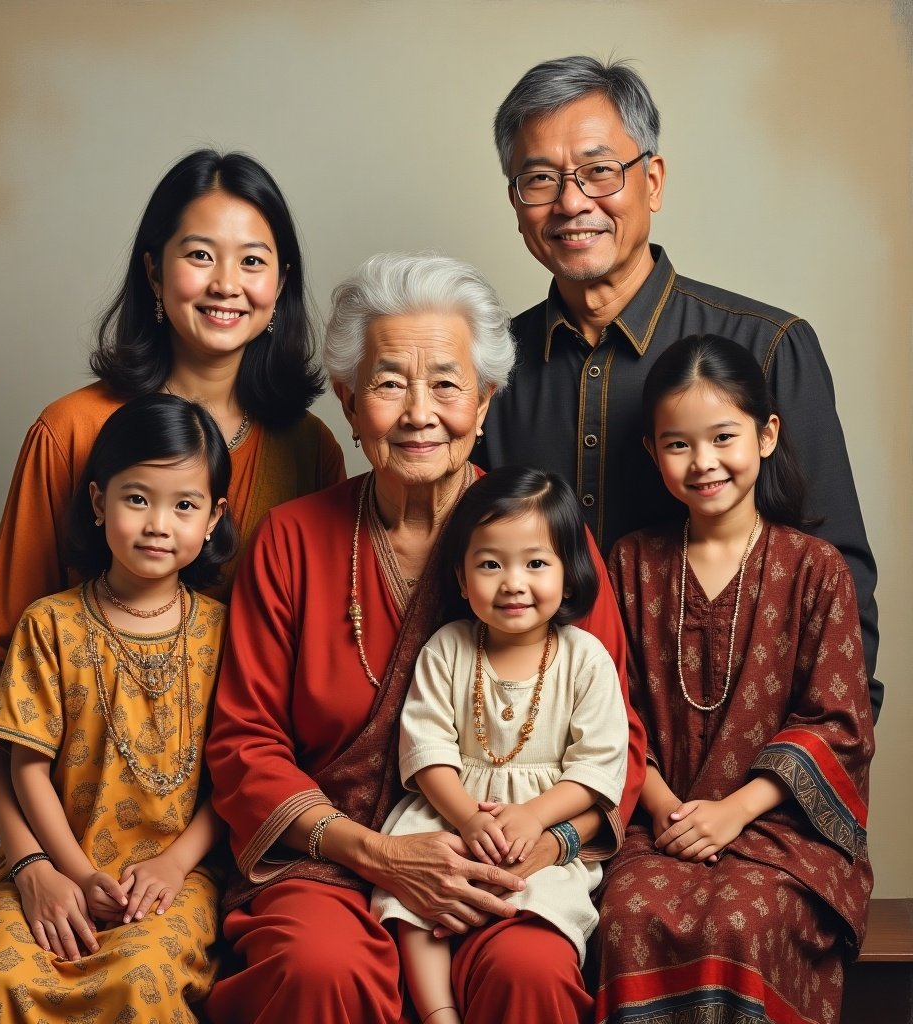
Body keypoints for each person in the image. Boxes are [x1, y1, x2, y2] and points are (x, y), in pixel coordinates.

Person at [0, 149, 344, 1024]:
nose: (226, 284)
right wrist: (33, 863)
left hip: (231, 815)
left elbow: (307, 680)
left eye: (253, 260)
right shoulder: (70, 432)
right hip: (53, 813)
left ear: (281, 284)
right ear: (153, 272)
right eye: (198, 254)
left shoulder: (309, 452)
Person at [204, 252, 647, 1024]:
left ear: (485, 401)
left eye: (446, 383)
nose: (418, 413)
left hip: (503, 860)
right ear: (347, 401)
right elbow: (246, 745)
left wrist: (541, 849)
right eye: (387, 383)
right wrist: (379, 856)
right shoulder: (290, 540)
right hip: (330, 863)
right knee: (318, 967)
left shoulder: (547, 544)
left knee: (530, 969)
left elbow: (619, 740)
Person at [478, 55, 882, 721]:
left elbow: (841, 595)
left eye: (599, 170)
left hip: (729, 763)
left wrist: (791, 785)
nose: (572, 201)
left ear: (653, 180)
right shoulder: (491, 369)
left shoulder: (769, 347)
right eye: (540, 180)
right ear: (517, 205)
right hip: (535, 760)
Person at [596, 335, 873, 1023]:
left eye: (723, 436)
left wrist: (733, 812)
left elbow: (837, 723)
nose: (704, 463)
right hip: (654, 823)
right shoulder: (629, 564)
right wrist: (664, 807)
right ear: (652, 454)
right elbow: (608, 710)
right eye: (678, 444)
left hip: (782, 832)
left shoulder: (815, 569)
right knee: (627, 915)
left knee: (745, 925)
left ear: (768, 433)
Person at [0, 394, 236, 1022]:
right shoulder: (49, 624)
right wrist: (72, 874)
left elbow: (238, 772)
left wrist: (175, 862)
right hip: (52, 864)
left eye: (184, 505)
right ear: (98, 501)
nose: (159, 523)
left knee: (142, 979)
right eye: (138, 498)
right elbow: (26, 769)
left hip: (173, 880)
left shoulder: (227, 633)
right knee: (3, 977)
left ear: (213, 518)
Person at [371, 466, 628, 1024]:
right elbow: (426, 749)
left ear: (568, 572)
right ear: (462, 579)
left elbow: (598, 768)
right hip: (449, 815)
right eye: (490, 564)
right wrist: (465, 818)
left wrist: (534, 817)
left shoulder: (585, 658)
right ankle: (438, 1011)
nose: (513, 582)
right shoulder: (448, 647)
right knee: (411, 908)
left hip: (536, 826)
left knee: (543, 912)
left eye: (536, 563)